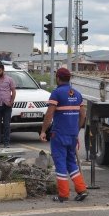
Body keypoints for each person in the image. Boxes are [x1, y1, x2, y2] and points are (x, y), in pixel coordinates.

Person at [40, 67, 88, 203]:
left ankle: (63, 194)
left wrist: (43, 131)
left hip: (59, 134)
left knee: (60, 163)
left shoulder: (56, 93)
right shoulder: (78, 94)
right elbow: (83, 115)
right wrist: (76, 129)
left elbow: (49, 114)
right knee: (71, 162)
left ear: (58, 78)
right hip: (72, 135)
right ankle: (81, 189)